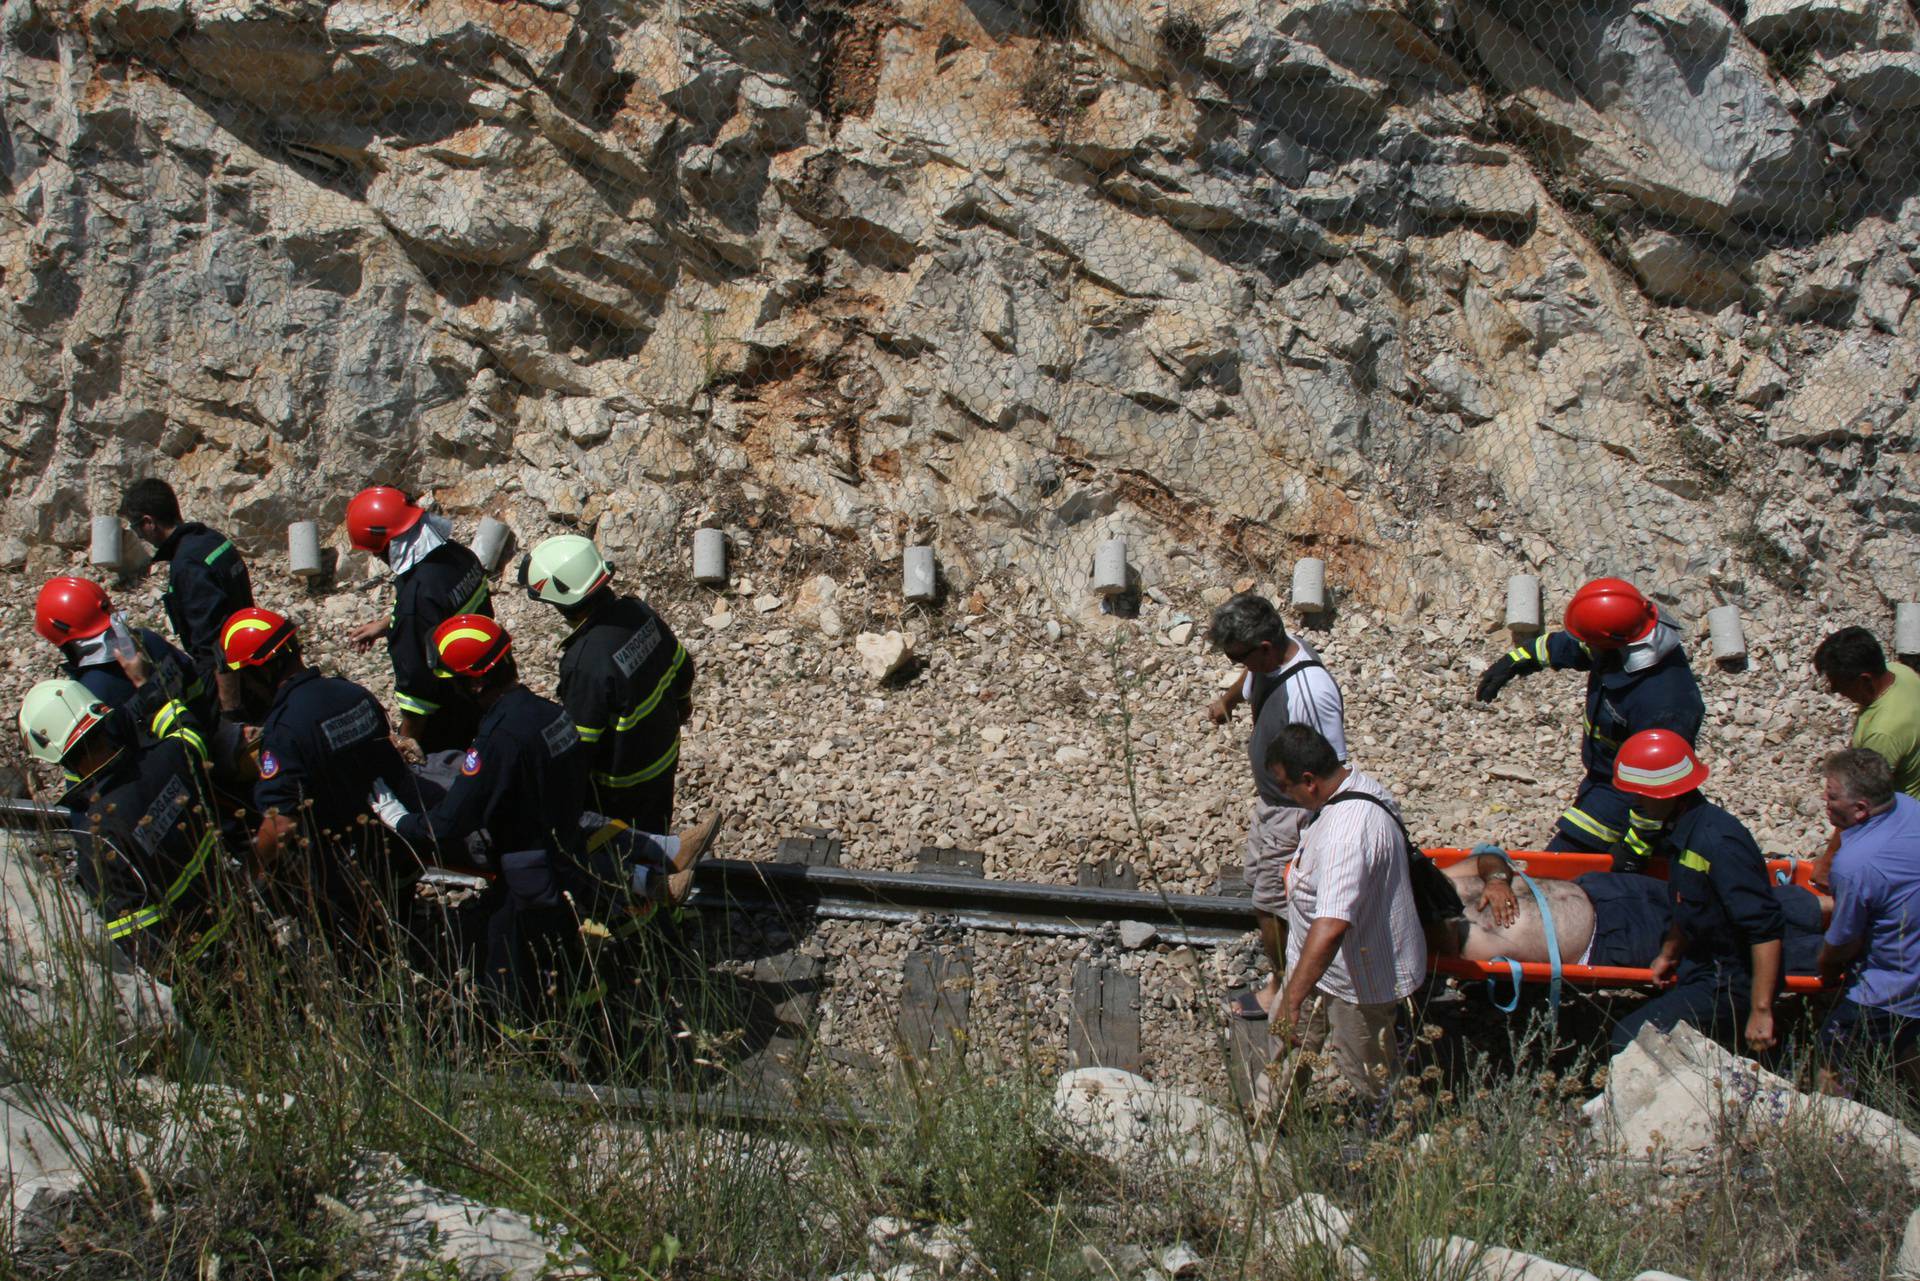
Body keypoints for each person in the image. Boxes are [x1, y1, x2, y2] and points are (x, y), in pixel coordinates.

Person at [367, 615, 601, 1021]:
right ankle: (586, 1025)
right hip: (559, 855)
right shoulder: (548, 713)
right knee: (562, 964)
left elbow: (446, 825)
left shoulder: (500, 738)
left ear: (473, 683)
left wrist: (398, 818)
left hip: (525, 875)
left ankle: (529, 1053)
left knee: (509, 973)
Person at [221, 606, 424, 940]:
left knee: (357, 945)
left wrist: (253, 870)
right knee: (403, 922)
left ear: (261, 672)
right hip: (397, 845)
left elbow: (282, 821)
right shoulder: (353, 693)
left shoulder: (284, 731)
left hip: (343, 869)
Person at [1476, 577, 1706, 870]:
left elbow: (1656, 790)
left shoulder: (1663, 703)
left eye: (1592, 643)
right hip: (1607, 778)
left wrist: (1635, 848)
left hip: (1630, 791)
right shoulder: (1624, 639)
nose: (1585, 646)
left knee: (1556, 871)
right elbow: (1575, 646)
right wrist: (1520, 659)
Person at [17, 679, 238, 977]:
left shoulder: (97, 837)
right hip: (241, 925)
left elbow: (139, 942)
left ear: (57, 755)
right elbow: (192, 734)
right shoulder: (168, 756)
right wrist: (159, 704)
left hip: (204, 972)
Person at [1257, 724, 1427, 1110]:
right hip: (1316, 966)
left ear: (1309, 781)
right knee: (1286, 1048)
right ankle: (1271, 1118)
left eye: (1287, 786)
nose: (1284, 795)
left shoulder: (1345, 834)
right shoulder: (1353, 787)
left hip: (1357, 981)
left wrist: (1291, 1000)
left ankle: (1395, 1132)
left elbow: (1332, 926)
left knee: (1367, 1069)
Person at [1205, 593, 1349, 1018]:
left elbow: (1331, 767)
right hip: (1272, 802)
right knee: (1262, 885)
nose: (1239, 667)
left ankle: (1285, 990)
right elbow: (1251, 682)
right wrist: (1228, 701)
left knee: (1272, 902)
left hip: (1295, 813)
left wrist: (1316, 831)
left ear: (1264, 648)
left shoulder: (1311, 692)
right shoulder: (1270, 660)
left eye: (1239, 657)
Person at [1604, 730, 1782, 1057]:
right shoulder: (1683, 832)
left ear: (1663, 794)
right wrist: (1669, 954)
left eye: (1640, 794)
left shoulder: (1718, 843)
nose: (1635, 801)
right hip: (1700, 966)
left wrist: (1761, 1011)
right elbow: (1688, 905)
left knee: (1628, 1041)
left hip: (1730, 982)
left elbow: (1764, 929)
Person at [518, 534, 695, 833]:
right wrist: (681, 706)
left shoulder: (584, 661)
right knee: (656, 833)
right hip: (663, 756)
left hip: (621, 786)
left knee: (624, 855)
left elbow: (581, 745)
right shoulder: (637, 611)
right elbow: (682, 667)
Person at [343, 487, 492, 753]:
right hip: (486, 679)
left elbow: (417, 692)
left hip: (451, 711)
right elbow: (444, 609)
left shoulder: (417, 598)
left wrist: (407, 743)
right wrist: (388, 623)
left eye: (375, 552)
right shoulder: (458, 555)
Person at [1816, 748, 1920, 1078]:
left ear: (1860, 809)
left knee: (1831, 1059)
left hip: (1889, 987)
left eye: (1832, 797)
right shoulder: (1908, 807)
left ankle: (1832, 1123)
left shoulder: (1854, 863)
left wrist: (1826, 970)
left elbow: (1844, 943)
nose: (1824, 800)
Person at [34, 575, 213, 759]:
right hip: (206, 742)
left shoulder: (88, 693)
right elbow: (196, 683)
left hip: (170, 773)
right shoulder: (146, 640)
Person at [118, 478, 254, 719]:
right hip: (252, 657)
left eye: (137, 528)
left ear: (149, 523)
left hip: (230, 683)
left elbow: (216, 645)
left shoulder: (187, 565)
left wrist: (231, 717)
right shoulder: (211, 539)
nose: (140, 536)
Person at [1813, 627, 1920, 803]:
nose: (1835, 690)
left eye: (1839, 684)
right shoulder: (1901, 672)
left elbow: (1862, 799)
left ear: (1865, 680)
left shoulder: (1883, 734)